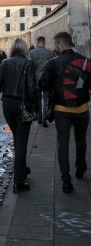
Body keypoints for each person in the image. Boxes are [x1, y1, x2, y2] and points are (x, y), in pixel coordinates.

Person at [39, 32, 91, 193]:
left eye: (56, 45)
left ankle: (66, 179)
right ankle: (81, 167)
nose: (55, 48)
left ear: (61, 45)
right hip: (82, 108)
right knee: (81, 139)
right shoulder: (86, 61)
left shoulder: (53, 63)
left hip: (61, 110)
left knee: (63, 142)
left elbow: (42, 85)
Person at [0, 38, 38, 193]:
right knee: (21, 142)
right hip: (23, 105)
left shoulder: (5, 63)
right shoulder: (28, 64)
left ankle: (22, 169)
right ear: (25, 49)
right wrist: (36, 109)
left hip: (8, 106)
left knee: (18, 137)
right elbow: (32, 89)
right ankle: (19, 182)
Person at [29, 36, 55, 127]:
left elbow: (30, 68)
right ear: (44, 42)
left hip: (36, 80)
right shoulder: (51, 53)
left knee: (38, 99)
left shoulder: (31, 53)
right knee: (46, 99)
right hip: (47, 81)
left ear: (37, 42)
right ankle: (44, 118)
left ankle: (40, 118)